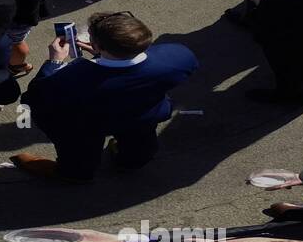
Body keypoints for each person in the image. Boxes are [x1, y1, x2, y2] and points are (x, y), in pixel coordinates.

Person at [16, 11, 198, 182]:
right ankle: (130, 162)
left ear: (95, 45)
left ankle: (76, 175)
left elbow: (35, 97)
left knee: (79, 151)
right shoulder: (177, 56)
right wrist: (108, 56)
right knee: (140, 141)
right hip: (144, 114)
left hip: (90, 124)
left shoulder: (70, 79)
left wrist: (54, 61)